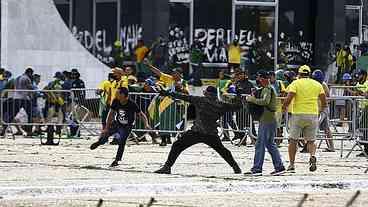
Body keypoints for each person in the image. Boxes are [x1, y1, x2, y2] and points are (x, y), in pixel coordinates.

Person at [154, 86, 243, 174]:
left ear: (207, 93)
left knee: (177, 145)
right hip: (211, 134)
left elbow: (182, 96)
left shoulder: (200, 100)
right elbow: (238, 106)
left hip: (197, 132)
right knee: (223, 151)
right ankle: (236, 167)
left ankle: (167, 167)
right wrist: (238, 94)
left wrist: (166, 93)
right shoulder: (221, 104)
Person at [90, 87, 151, 167]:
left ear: (122, 95)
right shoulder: (116, 101)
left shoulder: (132, 104)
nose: (115, 94)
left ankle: (117, 160)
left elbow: (141, 114)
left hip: (127, 126)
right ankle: (99, 142)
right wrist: (106, 127)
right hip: (117, 123)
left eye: (117, 93)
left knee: (122, 142)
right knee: (105, 136)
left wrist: (146, 124)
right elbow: (110, 114)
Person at [282, 65, 327, 173]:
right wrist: (321, 108)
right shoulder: (317, 84)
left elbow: (290, 96)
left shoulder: (296, 83)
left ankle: (292, 164)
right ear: (309, 74)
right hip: (312, 114)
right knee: (311, 141)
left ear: (299, 74)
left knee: (293, 141)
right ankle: (312, 155)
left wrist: (284, 107)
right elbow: (324, 100)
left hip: (298, 114)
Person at [244, 71, 285, 176]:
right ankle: (279, 167)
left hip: (267, 120)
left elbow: (265, 102)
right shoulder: (266, 89)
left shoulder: (268, 89)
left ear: (263, 79)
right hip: (269, 119)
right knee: (270, 144)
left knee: (260, 144)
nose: (258, 80)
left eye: (259, 78)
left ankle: (257, 168)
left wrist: (253, 99)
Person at [145, 61, 189, 146]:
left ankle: (168, 139)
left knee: (171, 123)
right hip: (163, 105)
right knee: (162, 122)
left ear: (180, 74)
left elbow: (187, 93)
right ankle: (164, 140)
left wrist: (180, 87)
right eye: (172, 73)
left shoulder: (184, 82)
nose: (173, 74)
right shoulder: (169, 79)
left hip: (176, 106)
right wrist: (149, 66)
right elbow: (159, 73)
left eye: (175, 73)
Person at [1, 68, 34, 136]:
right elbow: (31, 88)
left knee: (11, 115)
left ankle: (4, 130)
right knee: (30, 115)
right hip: (24, 99)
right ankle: (29, 132)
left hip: (16, 98)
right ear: (29, 73)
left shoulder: (17, 78)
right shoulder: (27, 78)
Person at [311, 70, 334, 152]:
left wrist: (323, 105)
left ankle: (331, 146)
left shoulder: (323, 85)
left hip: (323, 109)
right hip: (316, 109)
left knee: (320, 127)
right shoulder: (312, 85)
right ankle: (330, 146)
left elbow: (328, 97)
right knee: (325, 128)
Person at [354, 70, 368, 157]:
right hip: (360, 108)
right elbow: (356, 93)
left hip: (366, 108)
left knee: (364, 128)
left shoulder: (367, 83)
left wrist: (361, 93)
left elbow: (366, 95)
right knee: (362, 127)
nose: (358, 77)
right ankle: (365, 148)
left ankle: (366, 149)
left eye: (359, 75)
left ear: (364, 75)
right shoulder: (358, 84)